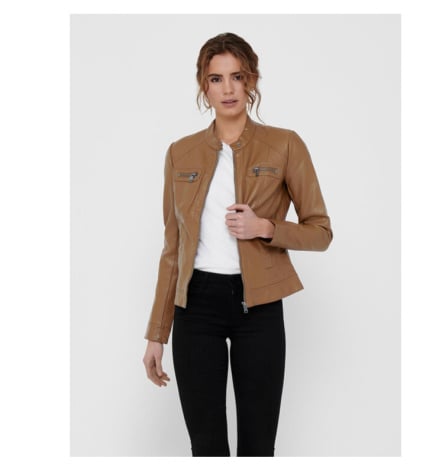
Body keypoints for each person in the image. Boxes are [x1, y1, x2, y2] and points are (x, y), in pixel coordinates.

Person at [142, 32, 333, 457]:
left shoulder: (284, 144)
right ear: (204, 85)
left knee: (258, 447)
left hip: (259, 306)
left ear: (252, 81)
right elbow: (172, 250)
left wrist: (265, 227)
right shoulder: (180, 153)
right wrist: (157, 334)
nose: (227, 88)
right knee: (206, 447)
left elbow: (320, 231)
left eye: (237, 76)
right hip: (195, 307)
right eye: (216, 78)